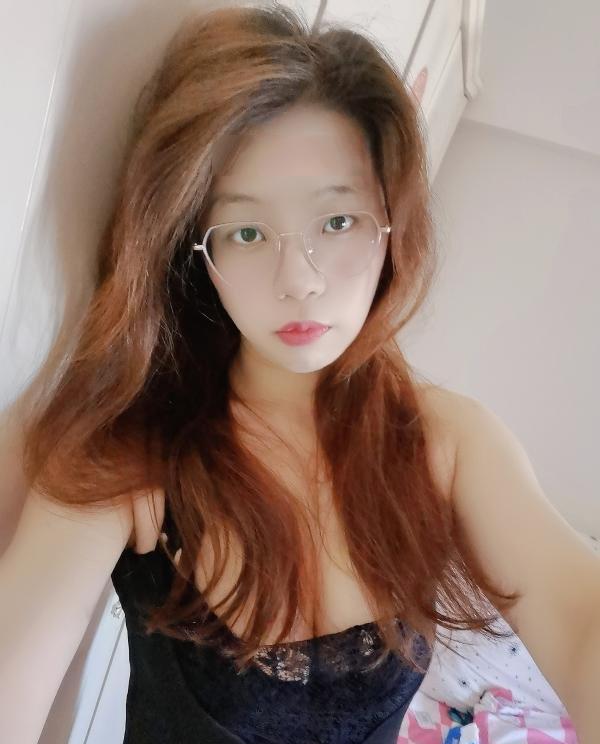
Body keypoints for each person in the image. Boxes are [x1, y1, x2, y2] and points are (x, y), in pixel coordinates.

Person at [1, 4, 599, 744]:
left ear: (390, 223)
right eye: (248, 232)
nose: (299, 280)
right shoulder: (134, 453)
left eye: (337, 222)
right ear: (196, 250)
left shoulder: (445, 443)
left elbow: (581, 620)